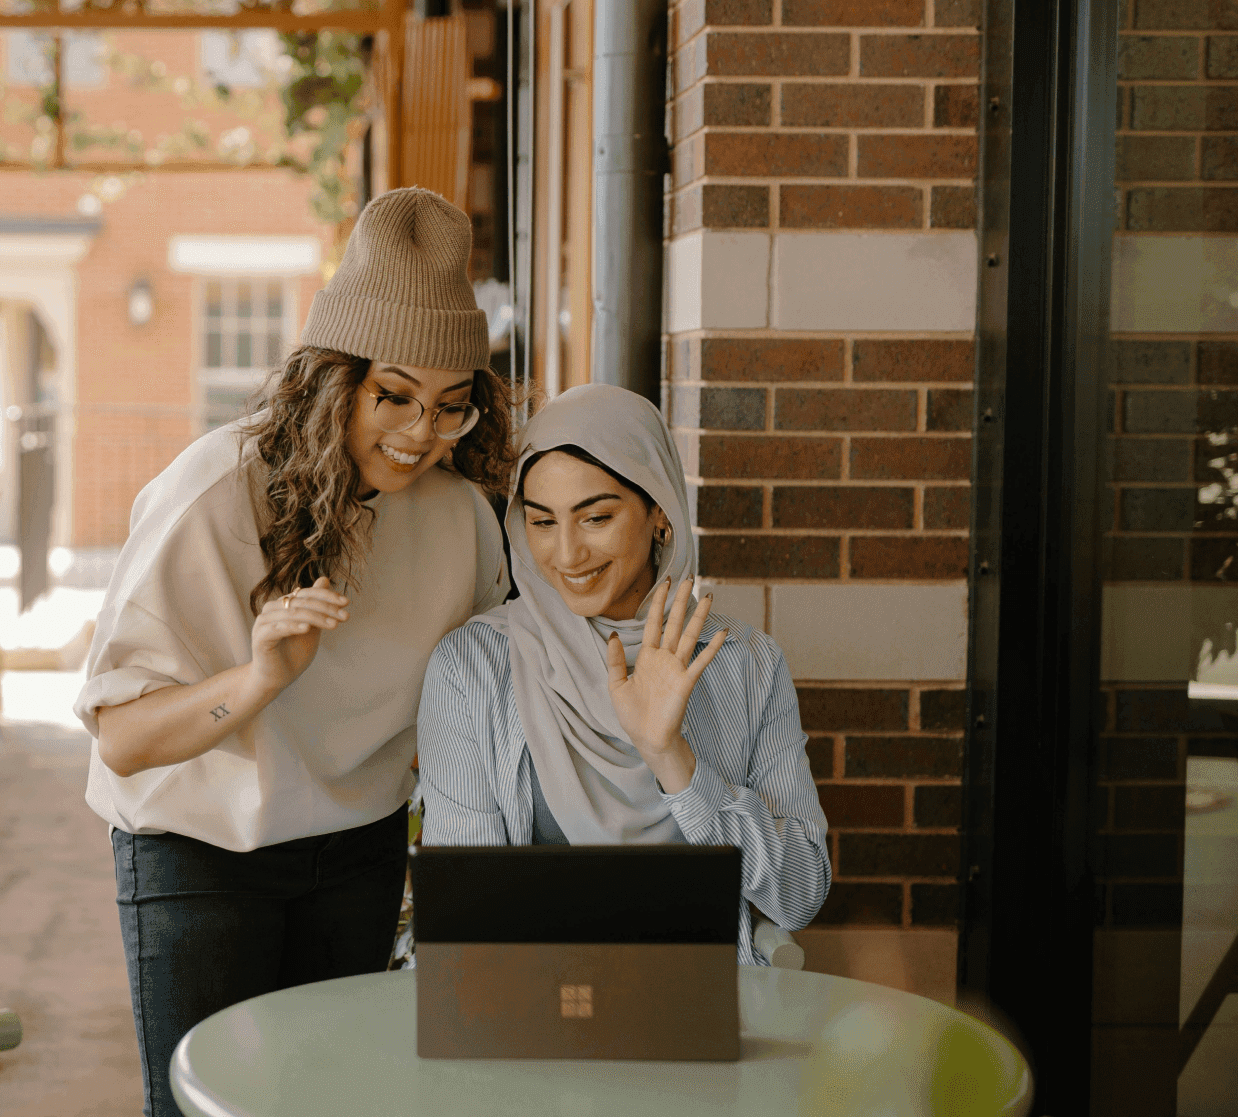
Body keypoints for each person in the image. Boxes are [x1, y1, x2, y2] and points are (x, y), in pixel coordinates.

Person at [76, 187, 517, 1116]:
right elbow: (120, 738)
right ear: (332, 378)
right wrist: (260, 678)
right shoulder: (214, 495)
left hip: (356, 850)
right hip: (200, 851)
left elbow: (482, 699)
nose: (419, 436)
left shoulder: (460, 518)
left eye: (451, 407)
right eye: (391, 395)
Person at [416, 383, 829, 961]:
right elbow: (464, 915)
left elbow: (800, 896)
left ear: (658, 509)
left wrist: (672, 758)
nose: (567, 555)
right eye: (541, 522)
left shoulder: (747, 664)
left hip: (697, 1016)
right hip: (525, 1014)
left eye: (596, 517)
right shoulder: (473, 668)